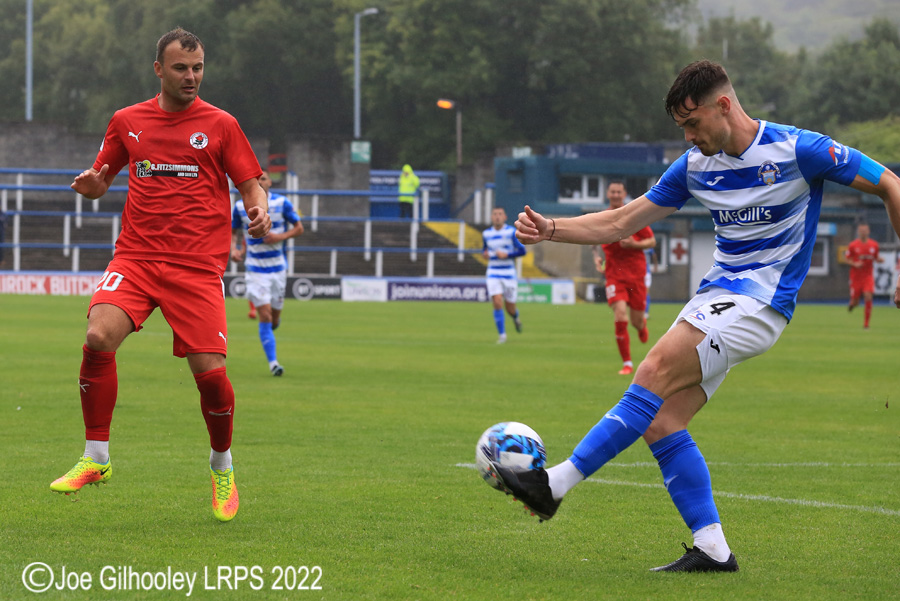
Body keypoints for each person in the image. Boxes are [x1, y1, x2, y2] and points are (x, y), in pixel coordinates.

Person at [489, 59, 900, 572]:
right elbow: (619, 220)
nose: (687, 135)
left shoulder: (801, 149)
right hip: (716, 297)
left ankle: (554, 485)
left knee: (653, 371)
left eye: (691, 123)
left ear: (723, 105)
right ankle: (712, 549)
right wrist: (550, 228)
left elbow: (891, 184)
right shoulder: (693, 165)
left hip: (762, 303)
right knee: (662, 420)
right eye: (681, 127)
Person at [50, 28, 272, 523]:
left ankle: (222, 467)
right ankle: (97, 458)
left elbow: (251, 185)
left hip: (196, 267)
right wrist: (90, 185)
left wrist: (259, 211)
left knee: (212, 379)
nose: (191, 77)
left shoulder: (220, 124)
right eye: (180, 68)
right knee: (97, 335)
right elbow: (100, 179)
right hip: (136, 258)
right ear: (159, 70)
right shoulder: (127, 121)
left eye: (197, 69)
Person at [232, 169, 304, 375]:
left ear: (270, 182)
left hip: (278, 269)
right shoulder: (240, 206)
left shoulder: (282, 203)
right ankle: (274, 364)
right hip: (255, 270)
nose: (260, 181)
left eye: (263, 178)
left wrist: (279, 237)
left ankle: (270, 330)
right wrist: (234, 249)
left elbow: (299, 228)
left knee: (273, 320)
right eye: (256, 179)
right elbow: (233, 230)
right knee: (264, 314)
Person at [591, 180, 656, 375]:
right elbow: (592, 238)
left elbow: (651, 241)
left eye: (619, 192)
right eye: (613, 192)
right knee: (620, 315)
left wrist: (633, 245)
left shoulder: (634, 216)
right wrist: (596, 257)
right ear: (607, 194)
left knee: (636, 321)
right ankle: (627, 363)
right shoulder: (603, 217)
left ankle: (641, 327)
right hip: (613, 275)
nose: (616, 195)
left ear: (624, 193)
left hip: (636, 275)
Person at [483, 207, 526, 343]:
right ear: (491, 217)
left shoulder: (511, 232)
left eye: (500, 214)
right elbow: (485, 250)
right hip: (493, 272)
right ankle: (502, 335)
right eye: (495, 214)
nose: (497, 217)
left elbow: (522, 251)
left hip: (508, 273)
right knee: (496, 301)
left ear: (505, 217)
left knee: (510, 307)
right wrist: (484, 254)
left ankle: (515, 318)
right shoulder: (486, 234)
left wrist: (507, 255)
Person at [845, 222, 883, 328]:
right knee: (855, 302)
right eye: (861, 231)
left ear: (868, 231)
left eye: (865, 230)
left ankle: (866, 324)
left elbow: (876, 257)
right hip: (855, 277)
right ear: (858, 232)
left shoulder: (874, 245)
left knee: (868, 296)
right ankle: (852, 304)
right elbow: (847, 259)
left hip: (868, 276)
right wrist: (855, 264)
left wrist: (880, 260)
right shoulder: (853, 245)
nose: (863, 233)